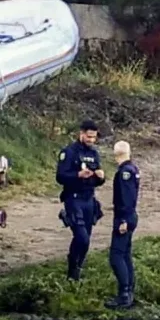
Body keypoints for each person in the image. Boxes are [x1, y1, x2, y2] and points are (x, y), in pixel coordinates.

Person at [56, 120, 106, 281]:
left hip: (89, 200)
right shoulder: (69, 152)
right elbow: (60, 177)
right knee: (81, 237)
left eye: (94, 137)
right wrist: (78, 175)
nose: (91, 140)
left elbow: (98, 180)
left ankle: (77, 270)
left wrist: (100, 178)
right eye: (89, 136)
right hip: (74, 199)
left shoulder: (94, 154)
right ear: (82, 134)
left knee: (86, 240)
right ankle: (72, 270)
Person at [107, 140, 140, 309]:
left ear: (116, 154)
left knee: (116, 256)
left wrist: (123, 220)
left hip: (125, 217)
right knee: (125, 254)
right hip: (131, 216)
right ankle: (129, 291)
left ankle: (124, 294)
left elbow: (126, 199)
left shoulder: (125, 173)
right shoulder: (133, 169)